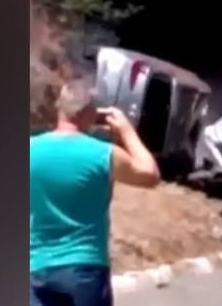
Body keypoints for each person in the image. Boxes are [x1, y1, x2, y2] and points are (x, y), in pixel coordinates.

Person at [30, 78, 161, 306]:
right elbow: (150, 175)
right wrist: (127, 131)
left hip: (37, 267)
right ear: (91, 112)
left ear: (59, 108)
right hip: (85, 267)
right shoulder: (104, 154)